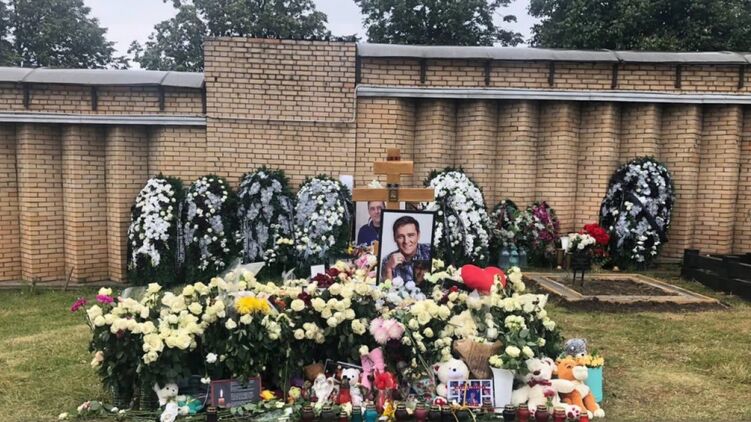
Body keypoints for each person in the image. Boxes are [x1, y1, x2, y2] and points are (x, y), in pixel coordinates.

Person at [380, 215, 431, 282]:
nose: (406, 241)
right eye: (400, 237)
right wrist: (388, 269)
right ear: (394, 238)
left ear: (418, 235)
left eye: (410, 235)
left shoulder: (430, 250)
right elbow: (386, 287)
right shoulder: (387, 260)